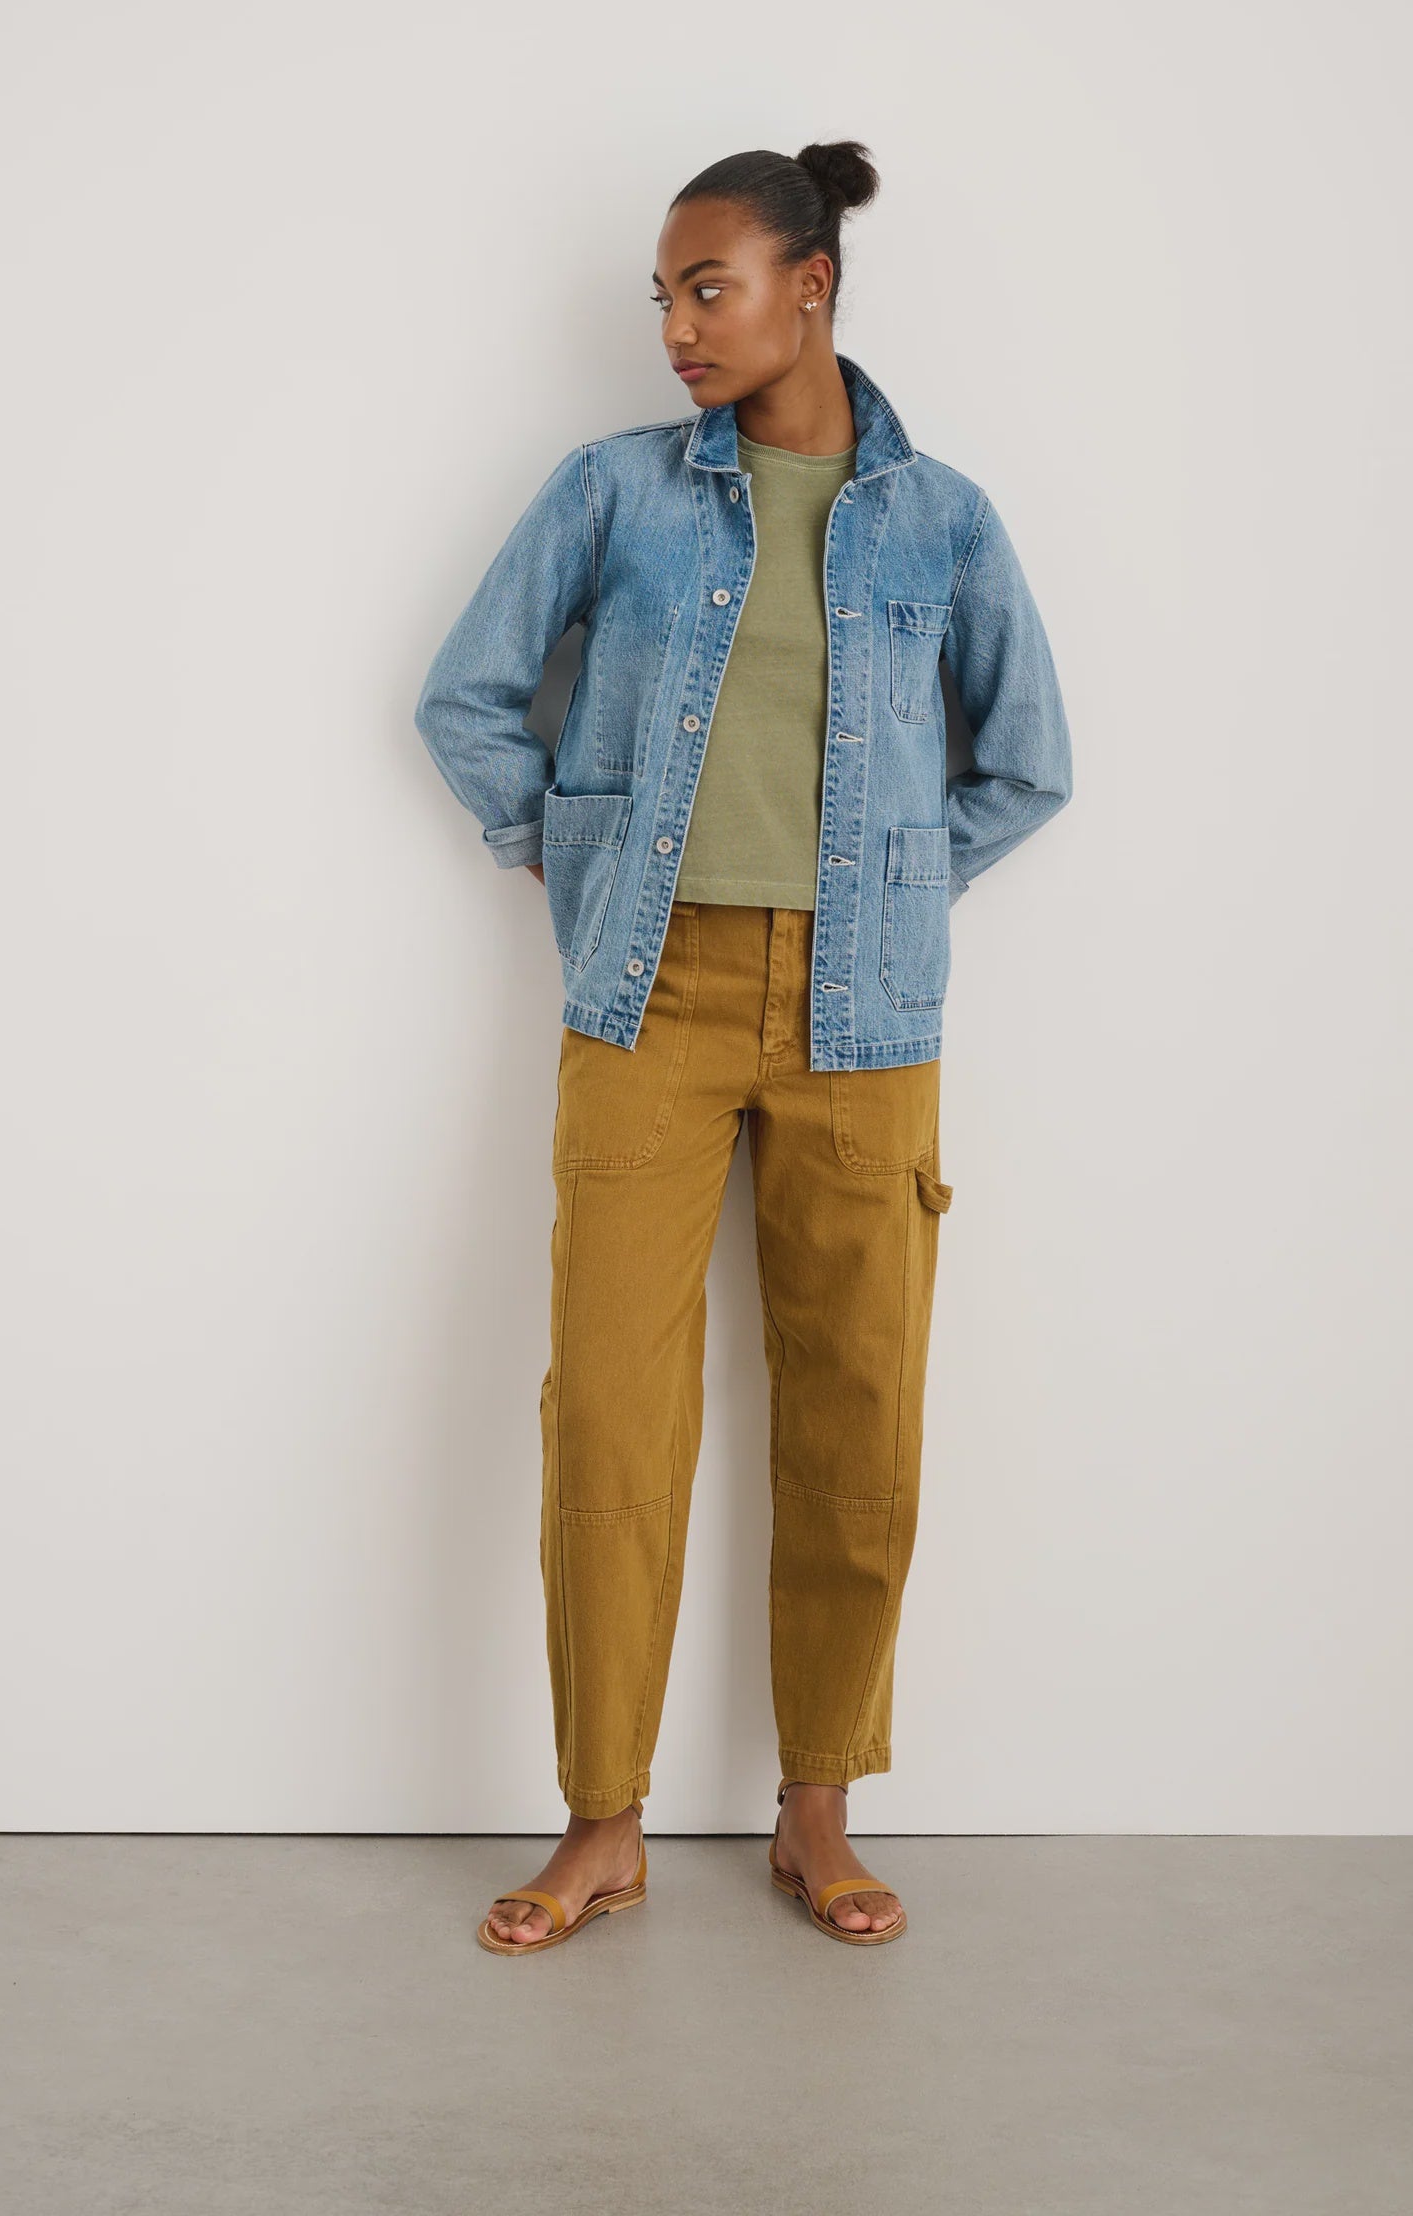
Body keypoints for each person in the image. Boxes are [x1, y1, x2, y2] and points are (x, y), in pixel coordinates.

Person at [412, 140, 1072, 1954]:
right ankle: (602, 1823)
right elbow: (465, 696)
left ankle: (816, 1813)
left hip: (869, 1015)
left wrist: (888, 888)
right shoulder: (616, 494)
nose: (680, 327)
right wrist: (581, 847)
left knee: (860, 1414)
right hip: (646, 1001)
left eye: (710, 288)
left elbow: (1029, 761)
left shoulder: (940, 518)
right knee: (610, 1413)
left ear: (813, 289)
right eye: (664, 296)